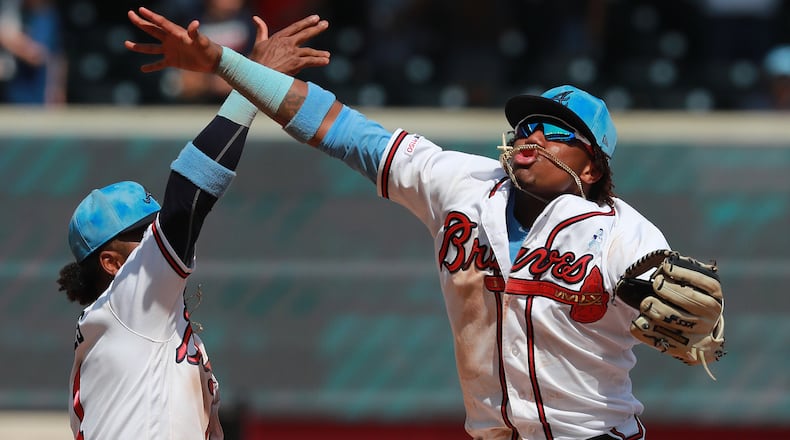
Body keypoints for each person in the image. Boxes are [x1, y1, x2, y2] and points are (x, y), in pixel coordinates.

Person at [125, 7, 725, 440]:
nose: (534, 136)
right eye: (527, 125)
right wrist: (226, 65)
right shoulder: (462, 182)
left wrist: (701, 323)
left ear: (591, 165)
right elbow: (339, 127)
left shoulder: (624, 234)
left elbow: (689, 314)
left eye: (556, 130)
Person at [57, 13, 329, 440]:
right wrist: (254, 82)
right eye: (143, 230)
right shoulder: (131, 300)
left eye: (154, 225)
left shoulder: (133, 323)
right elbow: (187, 200)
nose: (157, 232)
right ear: (111, 263)